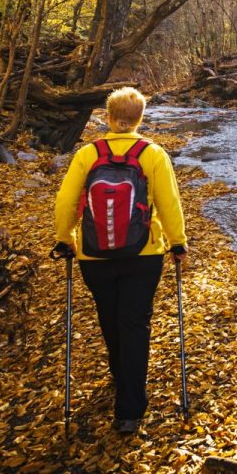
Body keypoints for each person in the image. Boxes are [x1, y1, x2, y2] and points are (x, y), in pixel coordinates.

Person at [52, 86, 188, 434]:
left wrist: (65, 238)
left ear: (108, 118)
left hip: (93, 255)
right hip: (143, 254)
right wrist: (178, 243)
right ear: (140, 119)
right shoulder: (152, 153)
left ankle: (119, 373)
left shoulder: (87, 154)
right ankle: (130, 408)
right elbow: (169, 203)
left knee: (109, 318)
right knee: (135, 323)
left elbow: (66, 200)